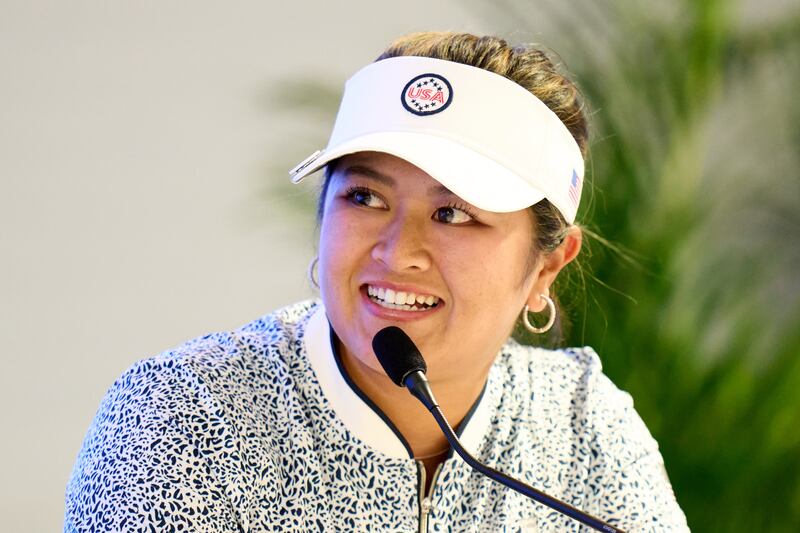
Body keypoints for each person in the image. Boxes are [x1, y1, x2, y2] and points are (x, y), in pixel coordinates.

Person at [65, 32, 689, 532]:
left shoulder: (584, 427)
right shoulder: (181, 419)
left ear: (548, 266)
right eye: (364, 196)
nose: (397, 251)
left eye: (454, 213)